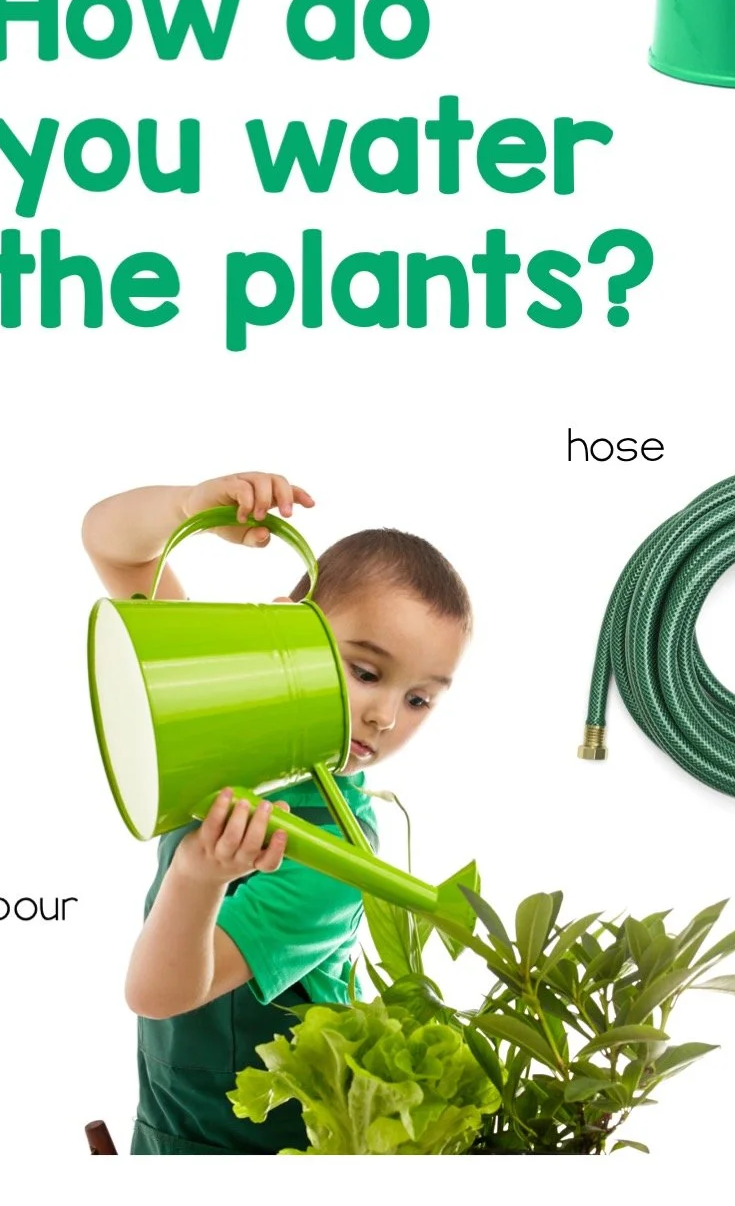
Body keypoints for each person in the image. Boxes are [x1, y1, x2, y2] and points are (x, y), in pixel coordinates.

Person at [83, 470, 472, 1154]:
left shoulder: (336, 853)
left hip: (269, 1151)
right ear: (286, 631)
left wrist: (198, 877)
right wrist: (186, 507)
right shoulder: (213, 713)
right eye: (366, 671)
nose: (384, 715)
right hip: (169, 1126)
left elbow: (159, 992)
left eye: (419, 699)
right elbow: (113, 546)